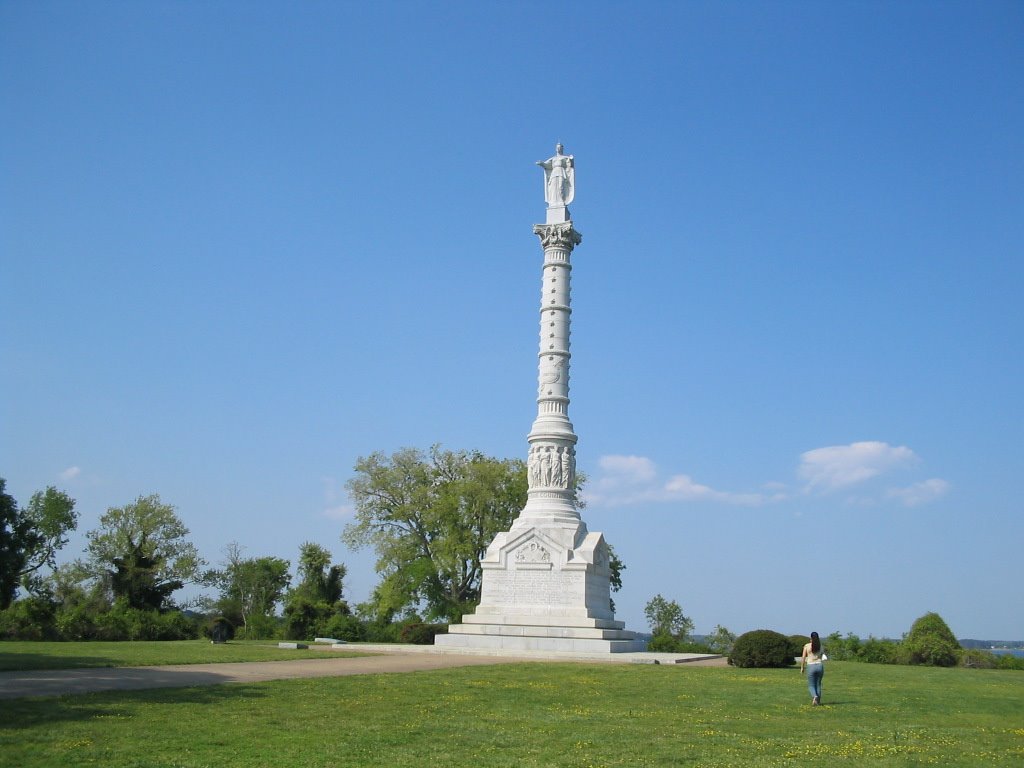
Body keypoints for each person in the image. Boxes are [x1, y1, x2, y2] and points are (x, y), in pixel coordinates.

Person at [800, 631, 826, 705]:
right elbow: (823, 656)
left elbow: (803, 657)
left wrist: (802, 667)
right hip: (819, 665)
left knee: (811, 685)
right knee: (818, 684)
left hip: (811, 665)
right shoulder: (820, 646)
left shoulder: (807, 646)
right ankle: (818, 702)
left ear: (811, 638)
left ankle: (814, 696)